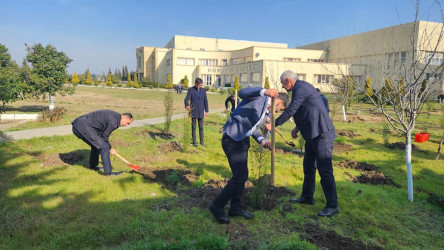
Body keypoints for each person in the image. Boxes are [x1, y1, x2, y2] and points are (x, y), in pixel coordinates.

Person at [208, 87, 289, 224]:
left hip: (243, 141)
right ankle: (217, 206)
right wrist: (264, 91)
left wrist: (262, 140)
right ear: (280, 103)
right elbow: (242, 93)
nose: (277, 112)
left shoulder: (267, 113)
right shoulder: (260, 97)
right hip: (231, 139)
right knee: (239, 176)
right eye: (280, 109)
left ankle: (235, 208)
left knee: (242, 176)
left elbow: (253, 128)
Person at [275, 70, 338, 217]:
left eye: (283, 84)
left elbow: (292, 109)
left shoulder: (300, 88)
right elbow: (309, 109)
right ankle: (307, 196)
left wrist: (275, 123)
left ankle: (333, 205)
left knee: (325, 170)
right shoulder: (300, 88)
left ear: (288, 81)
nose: (283, 88)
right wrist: (297, 127)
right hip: (313, 134)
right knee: (308, 166)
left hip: (322, 134)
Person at [72, 110, 133, 176]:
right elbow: (104, 137)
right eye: (127, 123)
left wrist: (109, 146)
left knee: (96, 145)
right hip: (82, 127)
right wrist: (109, 148)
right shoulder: (114, 122)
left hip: (78, 125)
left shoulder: (115, 116)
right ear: (123, 117)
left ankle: (93, 167)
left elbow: (102, 134)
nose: (126, 126)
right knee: (105, 147)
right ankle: (108, 173)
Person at [184, 78, 209, 147]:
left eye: (200, 85)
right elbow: (186, 99)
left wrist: (206, 111)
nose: (198, 87)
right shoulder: (191, 90)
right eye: (198, 85)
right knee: (194, 127)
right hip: (193, 111)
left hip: (201, 111)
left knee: (201, 127)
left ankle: (202, 141)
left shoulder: (203, 91)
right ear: (195, 84)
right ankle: (194, 142)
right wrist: (187, 105)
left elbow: (205, 101)